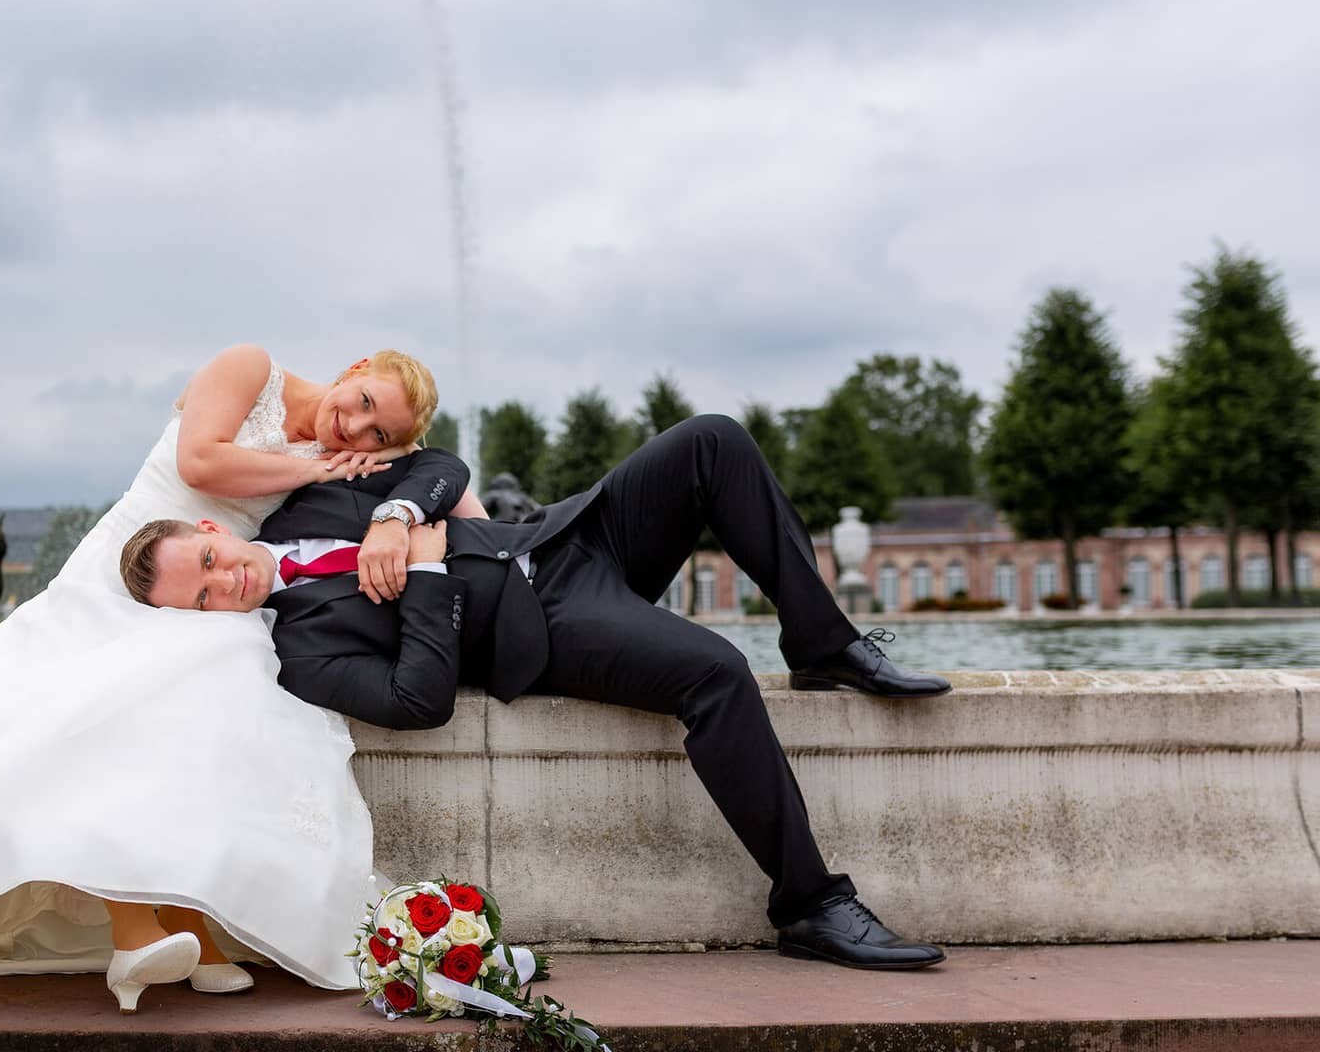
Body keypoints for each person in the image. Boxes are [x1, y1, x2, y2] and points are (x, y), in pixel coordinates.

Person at [0, 344, 472, 1018]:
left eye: (381, 435)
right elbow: (199, 463)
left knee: (208, 710)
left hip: (210, 594)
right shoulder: (251, 368)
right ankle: (141, 925)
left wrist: (414, 519)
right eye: (362, 402)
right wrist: (319, 468)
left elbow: (445, 480)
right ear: (351, 370)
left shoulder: (358, 460)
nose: (358, 431)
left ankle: (193, 927)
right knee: (85, 711)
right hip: (132, 569)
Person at [122, 414, 951, 970]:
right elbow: (419, 701)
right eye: (198, 601)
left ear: (209, 533)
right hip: (549, 621)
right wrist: (427, 573)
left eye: (204, 566)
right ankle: (809, 904)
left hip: (565, 534)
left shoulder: (313, 500)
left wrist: (397, 513)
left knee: (713, 442)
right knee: (715, 673)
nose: (220, 585)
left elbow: (440, 463)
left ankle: (823, 643)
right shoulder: (300, 651)